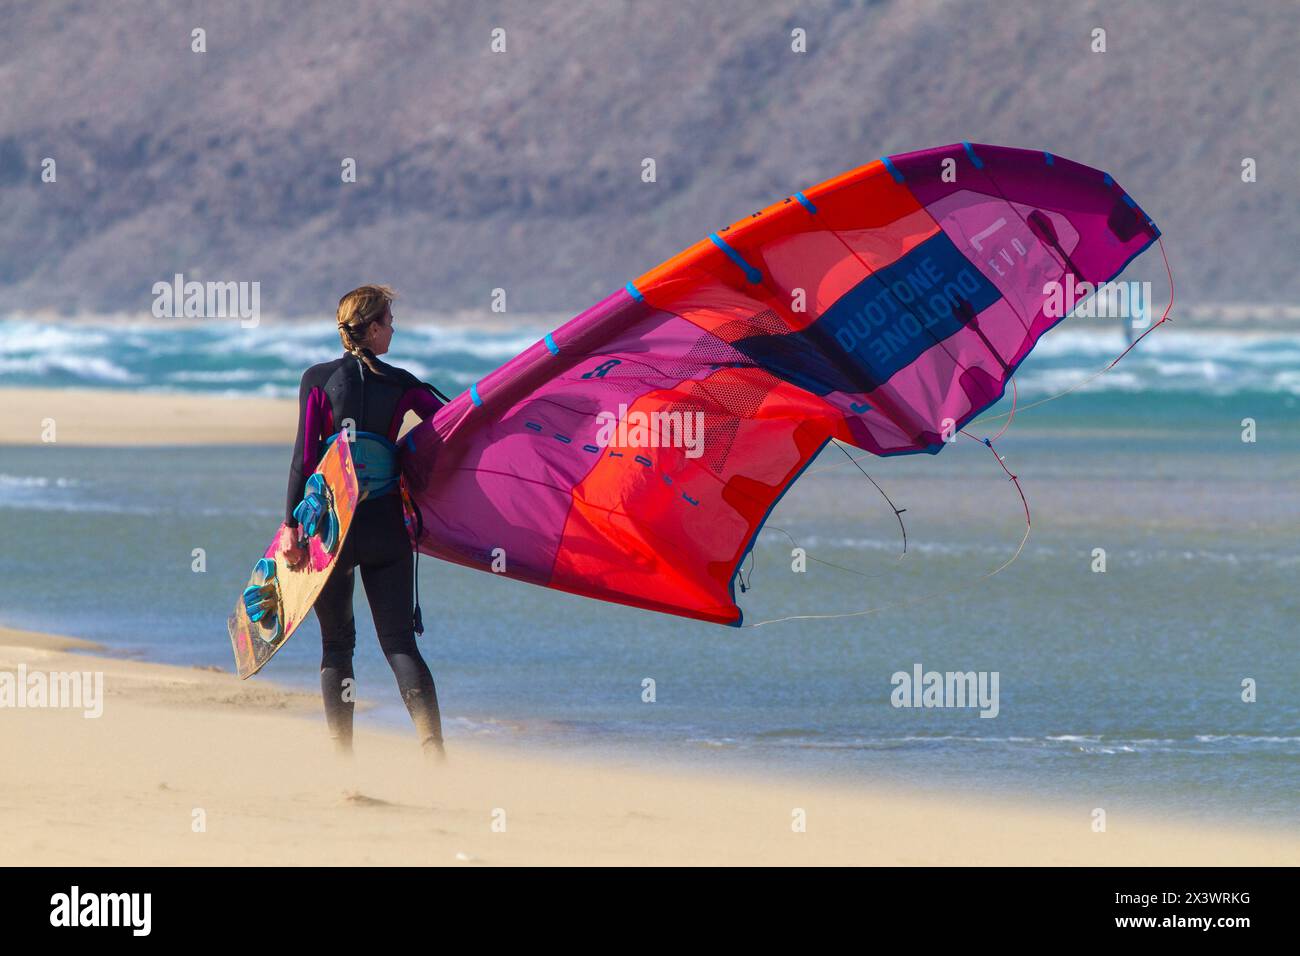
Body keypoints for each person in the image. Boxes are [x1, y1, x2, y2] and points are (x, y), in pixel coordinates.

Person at [283, 284, 446, 759]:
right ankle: (434, 754)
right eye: (389, 321)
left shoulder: (317, 379)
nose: (393, 329)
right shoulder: (402, 383)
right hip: (385, 528)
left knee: (337, 645)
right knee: (399, 644)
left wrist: (291, 527)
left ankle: (342, 758)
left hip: (331, 533)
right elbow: (448, 429)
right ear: (373, 328)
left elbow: (304, 458)